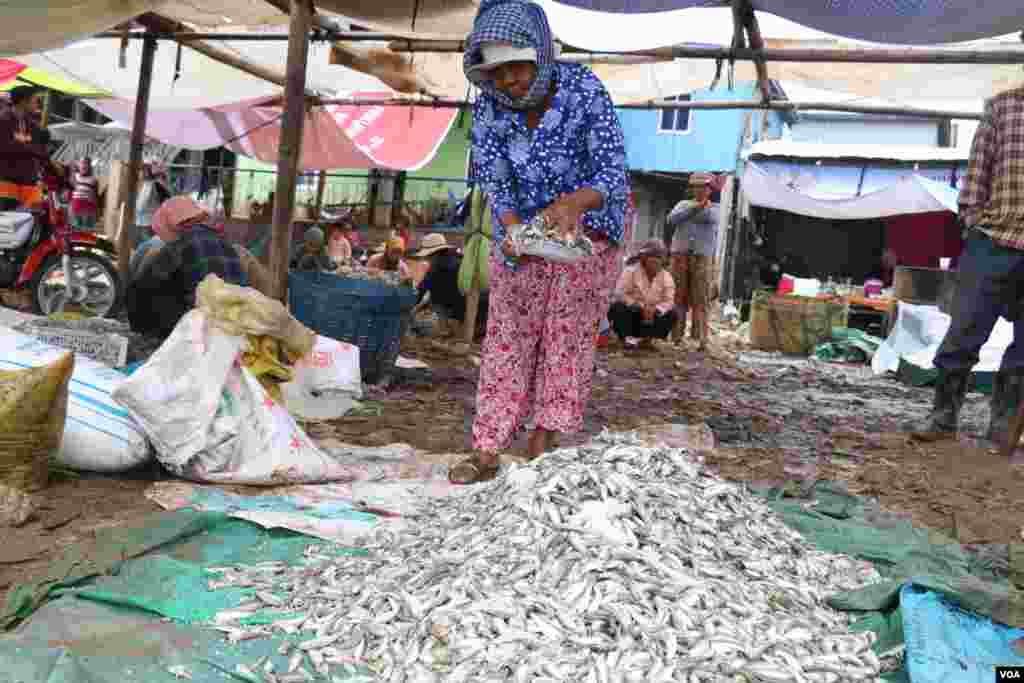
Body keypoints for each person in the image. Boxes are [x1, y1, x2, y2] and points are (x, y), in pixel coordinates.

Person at [451, 0, 628, 483]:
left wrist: (573, 205)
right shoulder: (490, 106)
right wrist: (511, 227)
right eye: (497, 73)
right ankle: (487, 449)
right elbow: (493, 175)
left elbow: (611, 171)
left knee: (564, 336)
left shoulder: (585, 89)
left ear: (542, 54)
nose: (509, 82)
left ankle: (544, 442)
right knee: (507, 338)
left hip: (587, 231)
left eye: (517, 69)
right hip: (525, 233)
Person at [911, 86, 1024, 447]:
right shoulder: (1003, 107)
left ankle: (1004, 425)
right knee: (965, 331)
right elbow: (977, 172)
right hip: (992, 240)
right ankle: (943, 418)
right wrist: (974, 223)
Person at [126, 195, 246, 339]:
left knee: (139, 288)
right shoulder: (220, 239)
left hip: (205, 316)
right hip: (238, 311)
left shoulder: (180, 243)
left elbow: (146, 283)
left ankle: (154, 335)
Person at [668, 172, 720, 350]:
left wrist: (693, 212)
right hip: (679, 255)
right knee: (678, 296)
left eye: (703, 187)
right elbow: (672, 219)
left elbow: (709, 218)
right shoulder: (682, 204)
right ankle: (676, 337)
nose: (699, 190)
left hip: (702, 257)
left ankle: (702, 339)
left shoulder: (715, 209)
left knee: (701, 298)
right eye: (696, 186)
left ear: (709, 190)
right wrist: (696, 208)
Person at [609, 240, 676, 348]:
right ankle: (627, 338)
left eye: (659, 257)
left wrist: (656, 309)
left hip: (652, 316)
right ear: (644, 258)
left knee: (672, 313)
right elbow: (619, 294)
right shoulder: (630, 271)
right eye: (652, 256)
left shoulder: (667, 277)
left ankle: (648, 339)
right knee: (618, 307)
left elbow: (669, 301)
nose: (656, 260)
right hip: (633, 313)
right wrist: (639, 306)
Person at [0, 86, 49, 211]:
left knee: (32, 221)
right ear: (23, 101)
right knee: (7, 223)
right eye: (35, 99)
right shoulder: (3, 121)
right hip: (6, 182)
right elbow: (5, 147)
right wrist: (30, 149)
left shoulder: (34, 126)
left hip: (30, 182)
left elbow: (41, 151)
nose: (37, 103)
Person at [135, 163, 170, 243]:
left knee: (150, 247)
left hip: (147, 222)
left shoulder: (150, 185)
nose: (139, 174)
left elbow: (141, 206)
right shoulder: (151, 185)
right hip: (149, 222)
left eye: (141, 172)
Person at [71, 157, 99, 230]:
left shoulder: (94, 179)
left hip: (89, 210)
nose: (84, 165)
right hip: (76, 210)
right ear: (79, 166)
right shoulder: (75, 177)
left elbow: (96, 196)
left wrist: (96, 211)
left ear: (89, 166)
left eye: (86, 163)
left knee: (88, 233)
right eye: (82, 163)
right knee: (76, 232)